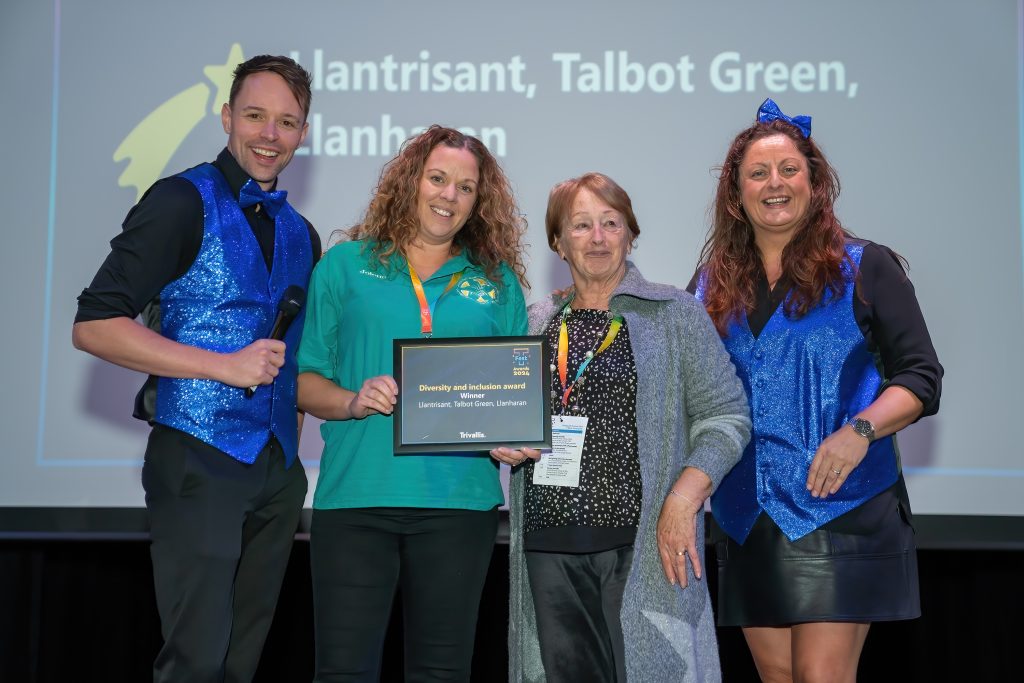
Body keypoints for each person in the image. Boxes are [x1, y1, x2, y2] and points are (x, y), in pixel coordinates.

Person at [72, 55, 319, 682]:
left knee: (241, 663)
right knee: (197, 661)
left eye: (287, 122)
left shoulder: (302, 233)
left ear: (304, 133)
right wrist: (221, 365)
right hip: (198, 457)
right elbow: (95, 324)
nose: (270, 135)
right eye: (256, 116)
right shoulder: (181, 201)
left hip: (278, 470)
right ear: (227, 117)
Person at [691, 99, 943, 683]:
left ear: (814, 181)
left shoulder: (867, 266)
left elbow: (921, 377)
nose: (774, 183)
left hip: (843, 507)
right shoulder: (708, 286)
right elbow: (695, 392)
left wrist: (860, 432)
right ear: (737, 193)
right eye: (758, 173)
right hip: (746, 515)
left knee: (820, 677)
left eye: (788, 170)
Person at [493, 172, 751, 682]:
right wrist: (498, 438)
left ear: (630, 235)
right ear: (557, 241)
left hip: (643, 547)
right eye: (582, 225)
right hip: (549, 547)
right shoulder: (535, 321)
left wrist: (685, 496)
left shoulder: (674, 312)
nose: (598, 237)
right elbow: (502, 417)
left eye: (611, 223)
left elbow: (727, 415)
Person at [296, 125, 529, 682]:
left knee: (442, 672)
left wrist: (512, 437)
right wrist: (354, 401)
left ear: (480, 202)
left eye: (466, 188)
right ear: (411, 181)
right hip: (355, 500)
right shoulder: (345, 265)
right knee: (343, 672)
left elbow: (518, 393)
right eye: (438, 179)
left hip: (459, 506)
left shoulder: (496, 283)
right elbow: (305, 382)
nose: (449, 196)